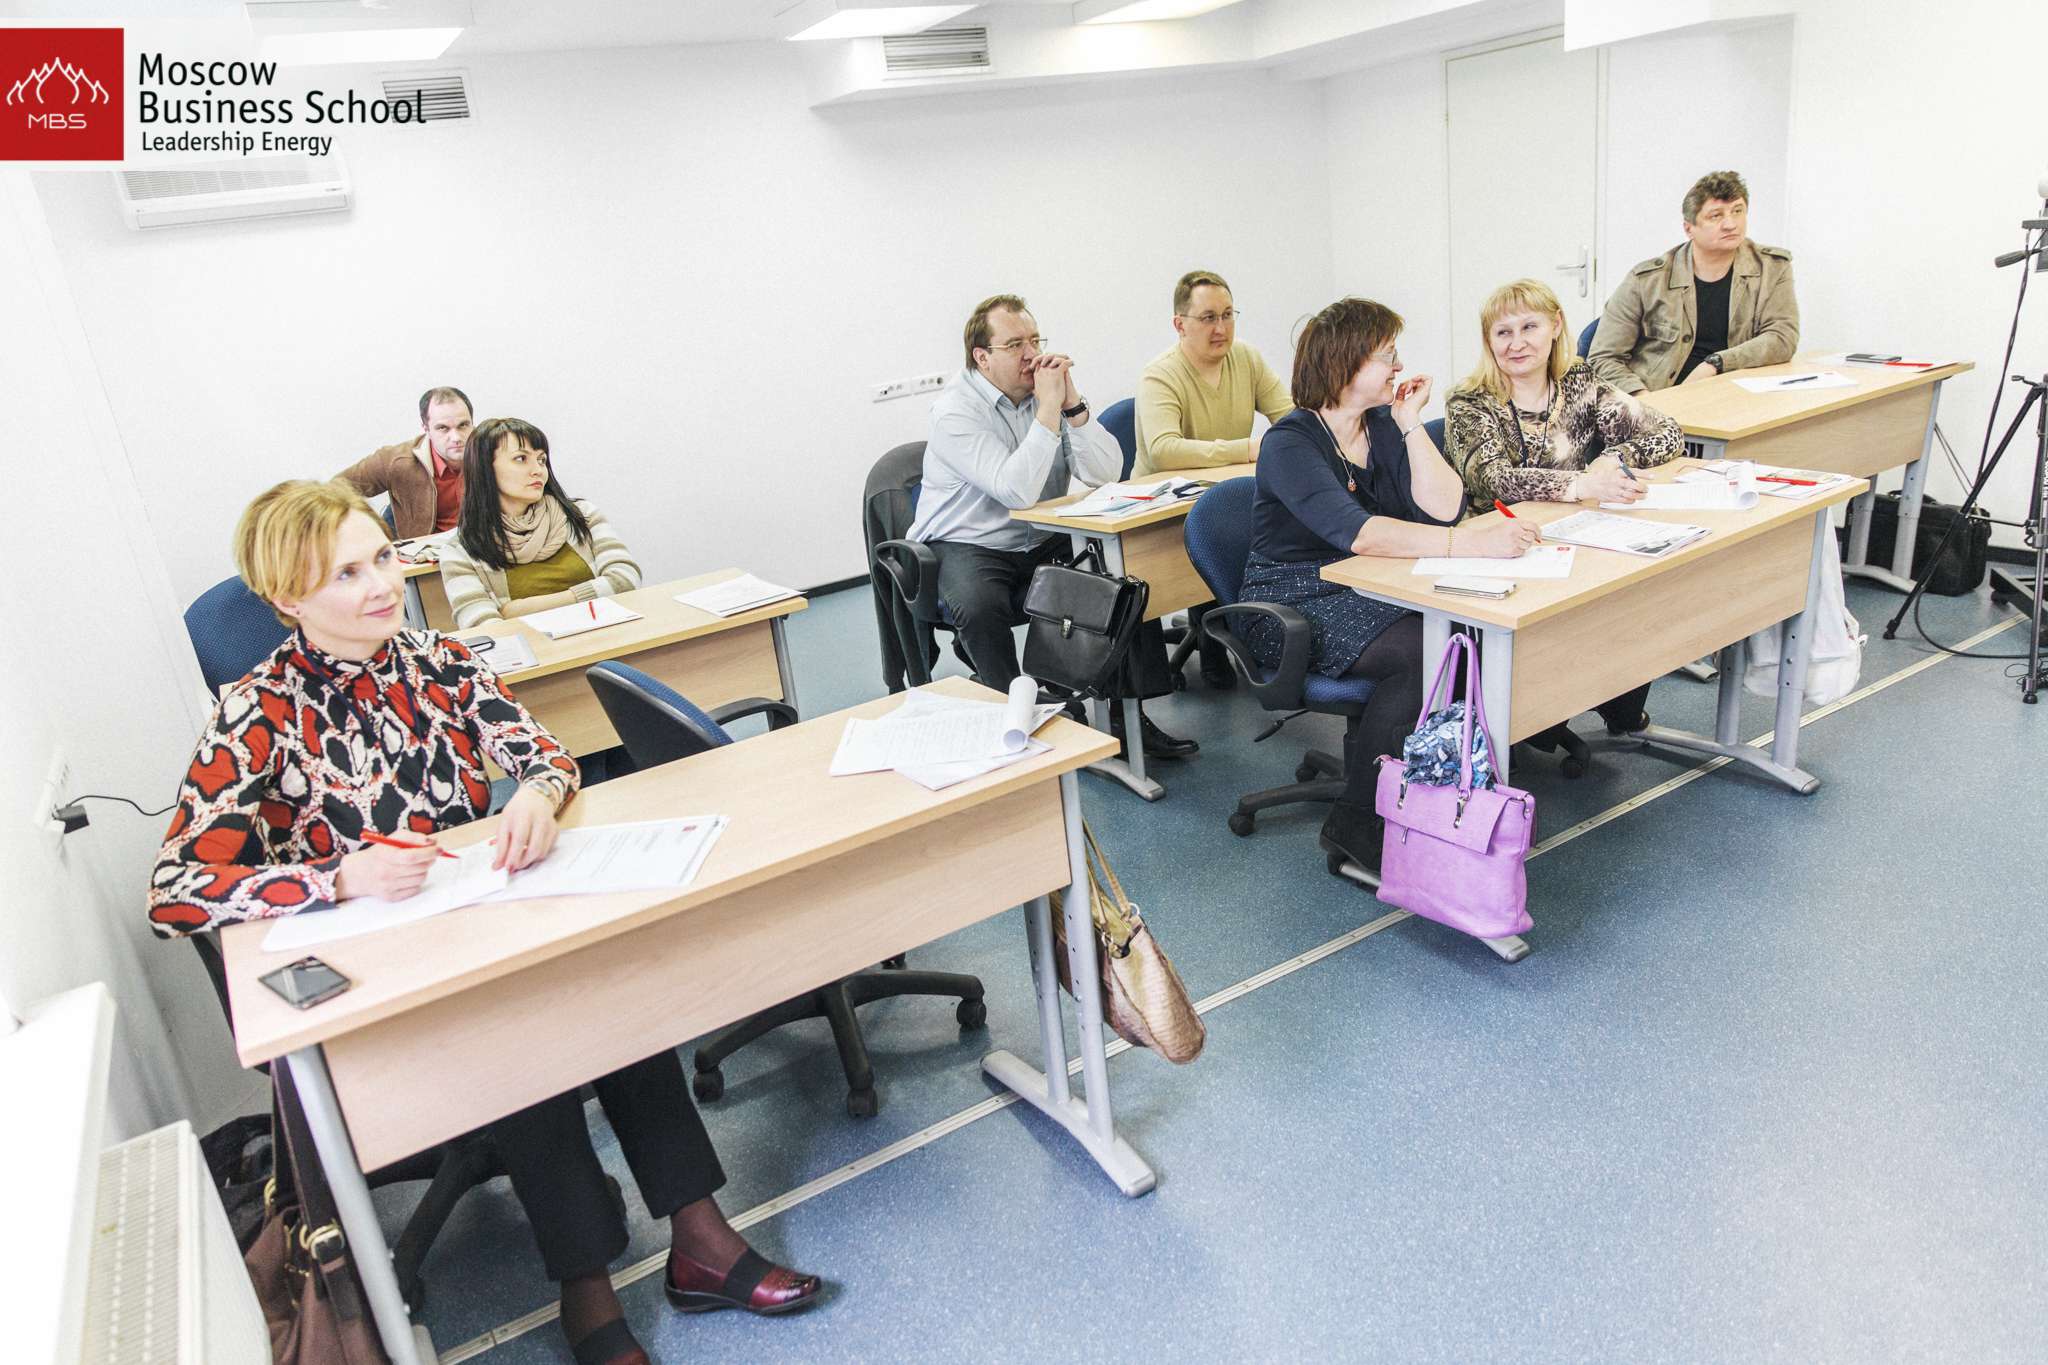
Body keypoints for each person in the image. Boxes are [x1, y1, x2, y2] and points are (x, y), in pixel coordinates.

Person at [147, 480, 821, 1365]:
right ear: (288, 599)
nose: (381, 584)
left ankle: (699, 1236)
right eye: (347, 573)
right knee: (521, 1028)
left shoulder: (437, 659)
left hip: (474, 920)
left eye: (383, 558)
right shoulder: (257, 709)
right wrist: (337, 875)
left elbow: (545, 754)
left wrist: (536, 796)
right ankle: (586, 1287)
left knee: (606, 977)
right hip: (378, 968)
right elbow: (175, 889)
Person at [1242, 298, 1535, 873]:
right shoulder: (1290, 443)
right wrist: (1471, 546)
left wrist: (1409, 424)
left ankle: (1440, 798)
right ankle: (1359, 827)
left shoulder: (1381, 424)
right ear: (1343, 362)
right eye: (1385, 356)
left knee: (1468, 635)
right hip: (1293, 597)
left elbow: (1446, 509)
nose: (1398, 366)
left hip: (1373, 581)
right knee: (1425, 652)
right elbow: (1360, 534)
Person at [908, 293, 1195, 759]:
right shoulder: (954, 412)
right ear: (982, 357)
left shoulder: (1047, 397)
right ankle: (1014, 720)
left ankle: (1125, 716)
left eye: (1035, 340)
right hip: (968, 541)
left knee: (1122, 576)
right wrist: (1048, 410)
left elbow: (1105, 473)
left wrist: (1072, 404)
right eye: (1015, 345)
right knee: (979, 606)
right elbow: (1015, 491)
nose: (1031, 354)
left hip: (1041, 535)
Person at [1447, 277, 1685, 738]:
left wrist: (1615, 456)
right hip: (1496, 547)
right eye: (1503, 332)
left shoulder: (1578, 382)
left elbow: (1668, 432)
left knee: (1638, 591)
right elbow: (1492, 479)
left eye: (1529, 327)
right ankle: (1530, 719)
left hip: (1569, 535)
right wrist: (1582, 484)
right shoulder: (1470, 401)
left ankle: (1615, 704)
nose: (1517, 343)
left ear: (1555, 326)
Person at [1135, 268, 1294, 688]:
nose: (1221, 328)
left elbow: (1289, 417)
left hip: (1223, 496)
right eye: (1208, 318)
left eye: (1227, 314)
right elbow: (1164, 449)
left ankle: (1222, 637)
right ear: (1179, 324)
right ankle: (1204, 644)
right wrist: (1246, 448)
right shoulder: (1160, 374)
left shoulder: (1246, 358)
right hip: (1161, 506)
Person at [1588, 169, 1799, 393]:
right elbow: (1603, 357)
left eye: (1737, 211)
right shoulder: (1646, 281)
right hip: (1661, 395)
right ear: (1689, 229)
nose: (1731, 224)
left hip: (1736, 395)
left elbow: (1782, 338)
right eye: (1716, 216)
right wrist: (1643, 400)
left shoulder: (1772, 268)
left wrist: (1715, 364)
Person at [438, 417, 642, 630]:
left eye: (541, 460)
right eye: (521, 459)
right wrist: (589, 596)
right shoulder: (460, 551)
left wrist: (526, 608)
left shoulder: (582, 515)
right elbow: (484, 627)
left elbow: (625, 578)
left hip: (609, 637)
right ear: (484, 468)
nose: (537, 470)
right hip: (533, 650)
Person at [336, 385, 473, 538]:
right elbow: (333, 490)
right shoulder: (397, 461)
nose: (456, 438)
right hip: (423, 550)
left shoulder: (488, 455)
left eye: (463, 425)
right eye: (443, 428)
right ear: (426, 429)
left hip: (474, 546)